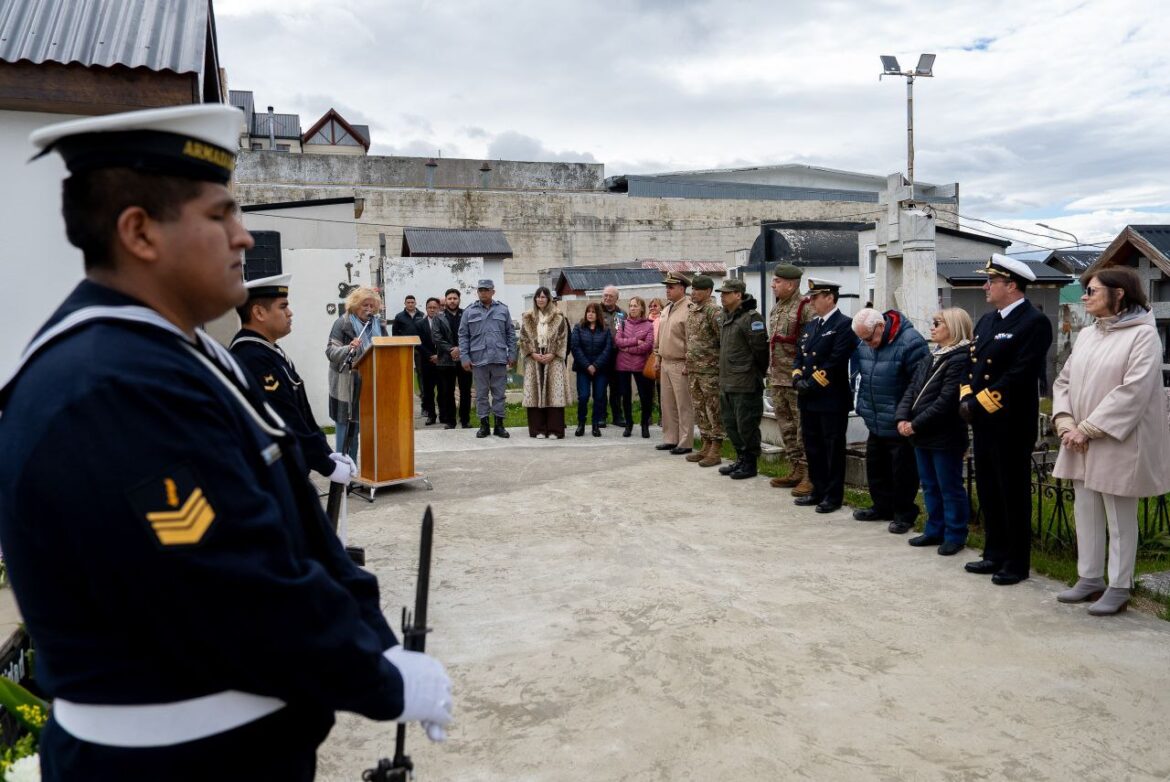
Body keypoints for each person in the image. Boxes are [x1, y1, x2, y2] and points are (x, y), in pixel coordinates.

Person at [0, 104, 451, 781]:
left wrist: (379, 645)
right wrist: (377, 679)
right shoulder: (109, 387)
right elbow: (234, 586)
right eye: (219, 216)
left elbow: (297, 530)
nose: (243, 238)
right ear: (139, 231)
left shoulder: (173, 354)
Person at [1052, 267, 1170, 615]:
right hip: (1078, 438)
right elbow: (1064, 381)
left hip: (1116, 439)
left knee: (1119, 516)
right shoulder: (1090, 334)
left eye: (1092, 291)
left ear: (1119, 294)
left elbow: (1132, 392)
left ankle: (1120, 584)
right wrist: (1064, 420)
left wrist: (1087, 428)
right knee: (1085, 509)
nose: (1085, 297)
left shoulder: (1142, 336)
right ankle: (1089, 577)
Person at [961, 254, 1053, 586]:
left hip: (1011, 422)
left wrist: (982, 401)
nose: (985, 286)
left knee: (1012, 491)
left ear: (1011, 285)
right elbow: (970, 363)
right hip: (984, 422)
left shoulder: (1033, 322)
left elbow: (1021, 372)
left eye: (991, 281)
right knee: (987, 488)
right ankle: (994, 553)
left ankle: (1016, 562)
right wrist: (965, 396)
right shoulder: (987, 321)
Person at [230, 274, 354, 485]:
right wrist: (327, 467)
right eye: (283, 307)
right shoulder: (251, 357)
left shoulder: (268, 351)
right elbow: (285, 419)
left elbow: (302, 413)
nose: (290, 312)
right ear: (259, 312)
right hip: (271, 476)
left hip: (287, 472)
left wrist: (326, 453)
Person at [895, 308, 975, 556]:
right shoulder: (933, 356)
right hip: (922, 434)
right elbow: (912, 389)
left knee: (948, 485)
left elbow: (946, 400)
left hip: (945, 434)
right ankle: (934, 529)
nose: (932, 327)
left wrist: (915, 424)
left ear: (953, 327)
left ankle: (955, 534)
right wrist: (902, 417)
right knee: (929, 484)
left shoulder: (960, 358)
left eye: (937, 323)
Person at [850, 307, 928, 533]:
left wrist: (905, 416)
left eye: (869, 337)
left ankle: (904, 513)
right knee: (876, 467)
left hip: (899, 419)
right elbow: (863, 377)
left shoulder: (911, 342)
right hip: (875, 416)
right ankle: (881, 507)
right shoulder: (866, 342)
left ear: (881, 327)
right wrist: (863, 407)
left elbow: (918, 385)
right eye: (862, 339)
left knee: (902, 470)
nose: (867, 343)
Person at [792, 277, 857, 513]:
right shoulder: (812, 326)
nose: (811, 302)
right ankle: (817, 489)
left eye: (816, 297)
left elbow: (835, 361)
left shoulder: (843, 325)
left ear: (830, 297)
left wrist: (812, 383)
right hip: (808, 398)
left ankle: (833, 495)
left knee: (832, 449)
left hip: (830, 399)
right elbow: (799, 355)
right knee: (813, 447)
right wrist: (797, 378)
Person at [767, 264, 815, 496]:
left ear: (791, 284)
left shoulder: (805, 307)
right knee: (786, 427)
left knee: (801, 429)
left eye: (777, 281)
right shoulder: (776, 309)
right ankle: (795, 468)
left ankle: (809, 475)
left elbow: (810, 345)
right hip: (777, 378)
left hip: (796, 379)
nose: (773, 285)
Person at [715, 278, 769, 479]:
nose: (722, 296)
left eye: (726, 293)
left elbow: (761, 352)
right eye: (722, 293)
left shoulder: (751, 318)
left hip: (745, 383)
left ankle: (750, 463)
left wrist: (755, 374)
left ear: (738, 294)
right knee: (731, 424)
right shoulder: (726, 316)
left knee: (746, 425)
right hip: (727, 381)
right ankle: (740, 458)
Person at [327, 285, 385, 460]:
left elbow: (386, 347)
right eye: (364, 305)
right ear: (354, 305)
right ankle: (344, 473)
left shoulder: (378, 324)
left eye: (372, 306)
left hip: (371, 383)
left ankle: (368, 472)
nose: (369, 309)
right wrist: (348, 348)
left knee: (367, 429)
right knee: (346, 431)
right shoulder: (342, 323)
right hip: (346, 384)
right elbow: (331, 352)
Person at [458, 279, 516, 439]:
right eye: (480, 290)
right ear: (477, 292)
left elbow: (510, 333)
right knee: (482, 394)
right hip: (478, 360)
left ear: (493, 292)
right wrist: (464, 357)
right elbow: (463, 335)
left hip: (498, 359)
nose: (483, 292)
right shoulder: (469, 312)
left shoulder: (503, 310)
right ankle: (484, 425)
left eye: (486, 290)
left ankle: (499, 425)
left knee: (499, 394)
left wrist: (512, 354)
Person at [519, 286, 569, 438]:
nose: (540, 299)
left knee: (554, 393)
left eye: (543, 297)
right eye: (538, 297)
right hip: (534, 359)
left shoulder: (559, 317)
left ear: (549, 299)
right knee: (534, 392)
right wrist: (532, 353)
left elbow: (563, 338)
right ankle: (538, 430)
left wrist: (553, 353)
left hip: (553, 360)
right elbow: (523, 339)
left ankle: (555, 430)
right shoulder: (527, 317)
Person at [684, 276, 725, 466]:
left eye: (697, 290)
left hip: (710, 370)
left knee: (713, 408)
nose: (693, 293)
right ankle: (706, 443)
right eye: (692, 290)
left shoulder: (714, 311)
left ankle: (716, 446)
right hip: (693, 369)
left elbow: (723, 341)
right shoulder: (693, 310)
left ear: (708, 291)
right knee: (699, 408)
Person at [654, 272, 695, 453]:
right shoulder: (666, 309)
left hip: (681, 362)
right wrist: (657, 357)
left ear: (681, 288)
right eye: (666, 287)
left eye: (671, 287)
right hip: (665, 362)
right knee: (667, 403)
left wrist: (689, 361)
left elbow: (692, 339)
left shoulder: (689, 308)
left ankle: (685, 442)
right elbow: (659, 337)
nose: (667, 290)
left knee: (683, 404)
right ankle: (671, 438)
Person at [612, 296, 656, 438]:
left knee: (645, 397)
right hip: (622, 365)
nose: (632, 308)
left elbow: (647, 346)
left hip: (641, 365)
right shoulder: (622, 323)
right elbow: (618, 341)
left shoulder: (649, 325)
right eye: (630, 306)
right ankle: (629, 424)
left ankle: (644, 424)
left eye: (636, 306)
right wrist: (637, 341)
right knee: (625, 396)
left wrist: (628, 348)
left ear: (642, 308)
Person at [570, 302, 613, 437]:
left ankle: (595, 425)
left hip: (600, 369)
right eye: (588, 311)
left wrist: (596, 365)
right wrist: (588, 365)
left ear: (598, 314)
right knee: (583, 397)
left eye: (593, 312)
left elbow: (608, 349)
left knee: (599, 397)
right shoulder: (578, 328)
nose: (590, 314)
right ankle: (581, 424)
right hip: (583, 369)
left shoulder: (605, 329)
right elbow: (575, 347)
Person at [432, 287, 473, 429]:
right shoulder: (438, 317)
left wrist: (460, 349)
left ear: (459, 299)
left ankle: (465, 420)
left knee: (465, 391)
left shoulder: (467, 315)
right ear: (446, 300)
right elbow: (436, 337)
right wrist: (451, 349)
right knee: (447, 392)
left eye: (455, 298)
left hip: (464, 359)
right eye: (450, 298)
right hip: (446, 360)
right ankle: (450, 421)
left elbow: (472, 335)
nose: (452, 301)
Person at [599, 285, 626, 428]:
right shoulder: (595, 311)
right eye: (605, 295)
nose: (607, 298)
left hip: (617, 355)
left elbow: (624, 332)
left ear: (617, 298)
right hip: (600, 355)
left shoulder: (621, 314)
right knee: (601, 387)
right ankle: (601, 417)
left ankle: (618, 416)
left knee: (616, 388)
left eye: (611, 296)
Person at [416, 297, 442, 425]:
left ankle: (444, 414)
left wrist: (440, 355)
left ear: (439, 308)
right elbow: (418, 343)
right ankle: (431, 415)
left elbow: (449, 340)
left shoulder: (444, 321)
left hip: (443, 362)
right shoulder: (420, 324)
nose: (432, 310)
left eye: (434, 307)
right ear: (426, 309)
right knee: (428, 391)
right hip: (427, 363)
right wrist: (431, 356)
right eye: (429, 307)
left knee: (443, 390)